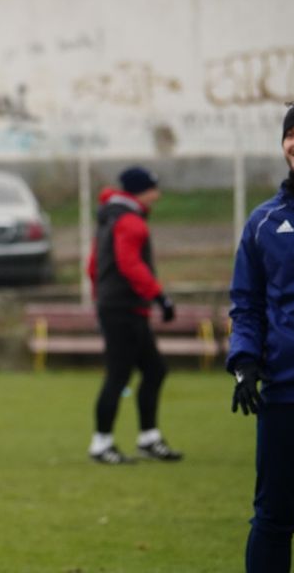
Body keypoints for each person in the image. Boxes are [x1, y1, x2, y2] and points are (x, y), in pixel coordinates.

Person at [228, 99, 294, 572]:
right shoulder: (264, 223)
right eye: (291, 133)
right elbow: (247, 304)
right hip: (288, 396)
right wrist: (244, 359)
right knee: (274, 519)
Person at [86, 165, 182, 464]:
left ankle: (148, 438)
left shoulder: (109, 217)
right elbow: (131, 265)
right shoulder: (130, 221)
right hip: (124, 308)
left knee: (154, 370)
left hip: (119, 307)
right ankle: (101, 443)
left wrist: (100, 299)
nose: (159, 193)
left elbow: (92, 266)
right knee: (119, 375)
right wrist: (160, 297)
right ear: (143, 189)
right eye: (155, 186)